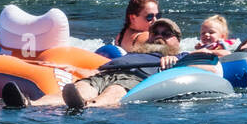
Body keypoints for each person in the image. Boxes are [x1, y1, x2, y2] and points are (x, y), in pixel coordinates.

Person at [61, 18, 219, 109]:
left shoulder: (181, 56)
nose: (159, 36)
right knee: (80, 87)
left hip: (134, 78)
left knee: (115, 89)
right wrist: (76, 69)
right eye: (155, 33)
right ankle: (36, 105)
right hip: (107, 74)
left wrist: (177, 63)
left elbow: (212, 68)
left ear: (177, 41)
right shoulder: (132, 53)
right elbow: (99, 69)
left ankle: (90, 106)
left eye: (166, 34)